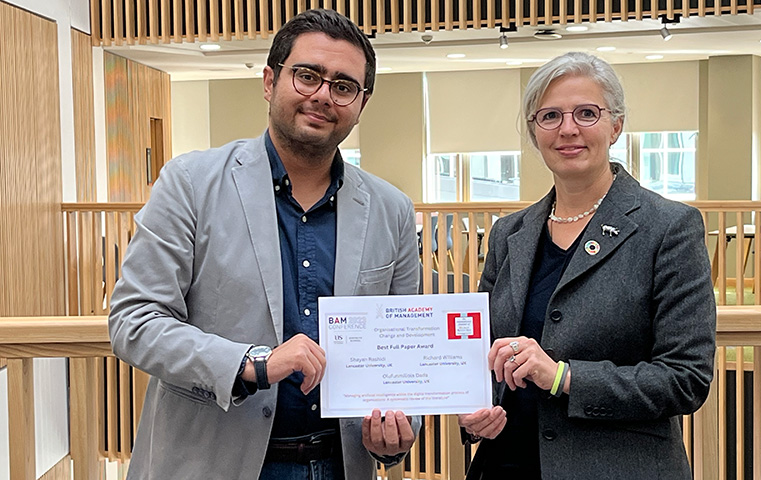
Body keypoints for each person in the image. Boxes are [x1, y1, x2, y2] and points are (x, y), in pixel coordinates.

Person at [109, 9, 421, 480]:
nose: (322, 95)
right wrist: (254, 363)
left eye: (343, 86)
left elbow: (403, 352)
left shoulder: (391, 209)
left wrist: (396, 435)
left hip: (340, 465)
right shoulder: (190, 183)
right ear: (270, 80)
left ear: (361, 103)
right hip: (210, 461)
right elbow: (134, 322)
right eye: (307, 76)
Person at [458, 52, 716, 479]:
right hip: (507, 462)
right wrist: (472, 408)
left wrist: (563, 377)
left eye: (586, 113)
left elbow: (685, 377)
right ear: (534, 132)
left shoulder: (669, 227)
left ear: (615, 126)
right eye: (550, 116)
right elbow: (479, 356)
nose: (568, 129)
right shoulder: (509, 234)